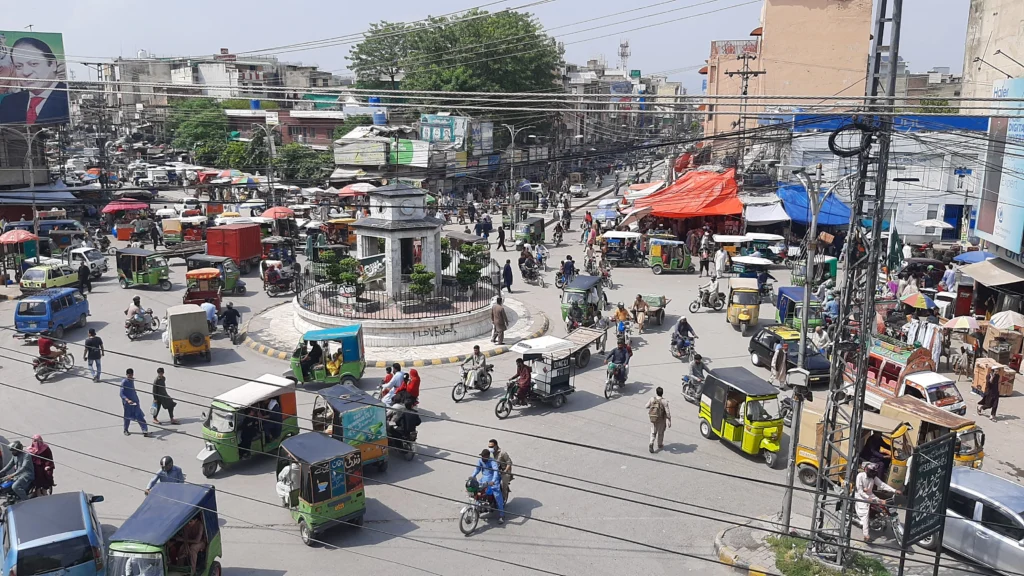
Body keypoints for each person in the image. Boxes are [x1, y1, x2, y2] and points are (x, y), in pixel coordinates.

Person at [0, 37, 70, 125]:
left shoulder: (68, 98)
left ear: (53, 64)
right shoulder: (9, 102)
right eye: (19, 66)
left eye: (34, 64)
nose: (26, 72)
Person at [855, 462, 889, 542]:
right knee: (866, 514)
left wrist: (894, 490)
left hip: (870, 495)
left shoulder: (873, 477)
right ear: (866, 470)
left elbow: (882, 485)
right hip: (859, 496)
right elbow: (860, 491)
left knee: (883, 505)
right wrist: (867, 498)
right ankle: (866, 536)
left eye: (874, 472)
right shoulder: (860, 476)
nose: (873, 474)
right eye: (872, 472)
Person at [472, 448, 505, 524]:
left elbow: (496, 472)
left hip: (493, 480)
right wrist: (472, 476)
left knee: (497, 495)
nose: (482, 457)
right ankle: (478, 508)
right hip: (484, 479)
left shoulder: (492, 462)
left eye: (484, 456)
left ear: (487, 456)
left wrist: (493, 481)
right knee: (477, 491)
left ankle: (501, 515)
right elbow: (477, 469)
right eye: (482, 456)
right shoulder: (480, 460)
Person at [121, 369, 151, 437]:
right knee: (127, 417)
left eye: (131, 375)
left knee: (139, 416)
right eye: (129, 375)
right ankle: (125, 429)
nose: (130, 376)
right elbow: (121, 393)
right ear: (126, 375)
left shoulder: (132, 380)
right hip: (128, 404)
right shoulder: (124, 382)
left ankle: (145, 431)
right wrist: (127, 400)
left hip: (135, 402)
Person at [645, 387, 671, 453]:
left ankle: (651, 443)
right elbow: (667, 412)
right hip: (661, 420)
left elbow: (646, 406)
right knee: (660, 432)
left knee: (653, 432)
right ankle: (659, 444)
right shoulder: (664, 401)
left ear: (656, 392)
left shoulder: (652, 399)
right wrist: (669, 421)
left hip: (653, 418)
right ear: (662, 393)